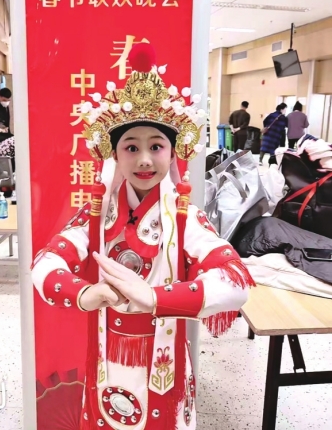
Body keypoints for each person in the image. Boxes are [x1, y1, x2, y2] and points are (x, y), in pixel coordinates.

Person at [30, 43, 254, 430]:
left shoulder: (185, 218)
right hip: (106, 356)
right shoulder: (97, 215)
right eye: (131, 147)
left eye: (156, 146)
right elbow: (44, 264)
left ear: (173, 153)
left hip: (162, 359)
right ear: (115, 155)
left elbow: (236, 282)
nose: (145, 159)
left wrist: (155, 297)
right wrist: (85, 293)